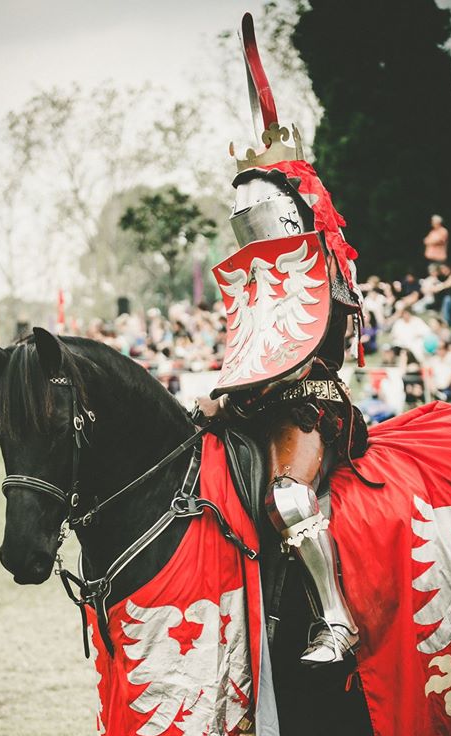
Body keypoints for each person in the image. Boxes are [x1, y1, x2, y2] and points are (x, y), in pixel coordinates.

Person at [194, 18, 374, 666]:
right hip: (254, 403)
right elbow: (250, 344)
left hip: (307, 404)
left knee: (289, 497)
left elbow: (307, 345)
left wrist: (238, 393)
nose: (251, 227)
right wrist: (221, 393)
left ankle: (336, 622)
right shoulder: (256, 278)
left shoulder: (325, 269)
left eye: (260, 214)